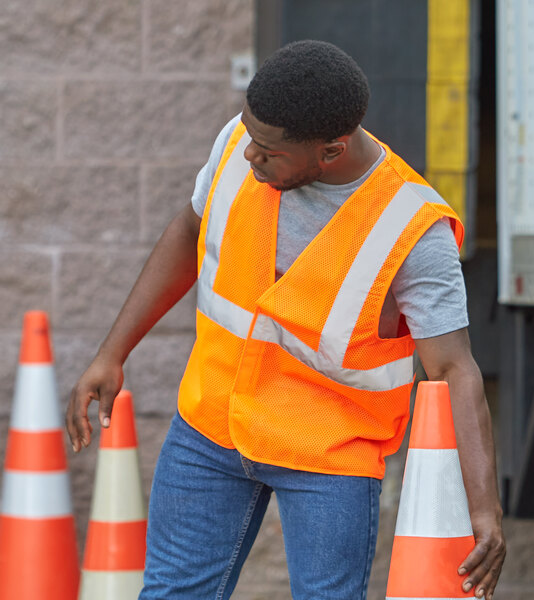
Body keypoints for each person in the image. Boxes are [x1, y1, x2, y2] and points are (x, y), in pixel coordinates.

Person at [66, 40, 505, 600]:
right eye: (250, 136)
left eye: (269, 152)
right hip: (211, 429)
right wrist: (112, 352)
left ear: (331, 151)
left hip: (328, 455)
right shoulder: (240, 144)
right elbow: (188, 231)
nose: (250, 155)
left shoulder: (412, 228)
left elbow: (453, 369)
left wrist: (485, 509)